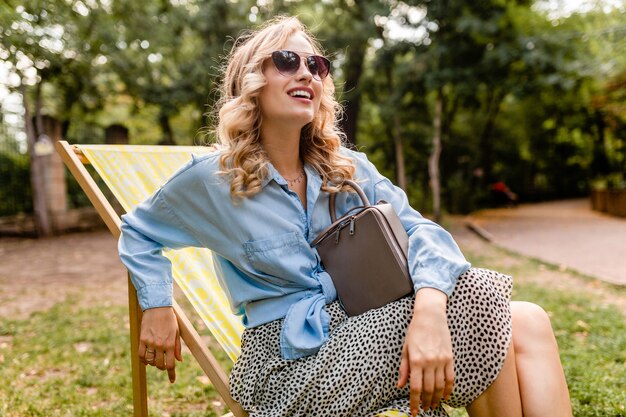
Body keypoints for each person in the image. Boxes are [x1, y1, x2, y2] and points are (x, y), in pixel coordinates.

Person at [118, 16, 572, 417]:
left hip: (360, 330)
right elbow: (138, 231)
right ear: (252, 79)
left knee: (527, 319)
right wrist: (158, 306)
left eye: (316, 66)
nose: (307, 74)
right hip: (284, 366)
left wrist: (430, 311)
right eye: (287, 61)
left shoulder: (345, 169)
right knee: (472, 299)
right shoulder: (215, 180)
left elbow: (423, 230)